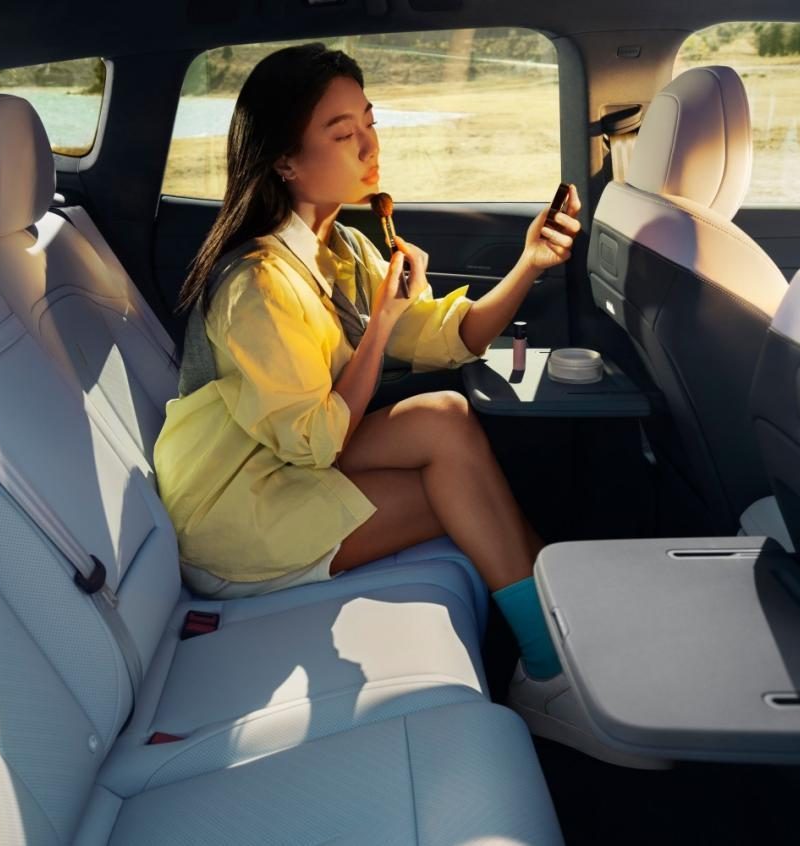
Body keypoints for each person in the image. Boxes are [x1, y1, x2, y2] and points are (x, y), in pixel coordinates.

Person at [155, 42, 611, 762]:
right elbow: (319, 440)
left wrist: (529, 262)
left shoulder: (340, 248)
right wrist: (381, 327)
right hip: (234, 511)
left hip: (282, 463)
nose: (370, 145)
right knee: (461, 497)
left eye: (369, 121)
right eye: (343, 133)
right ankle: (551, 664)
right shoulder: (259, 285)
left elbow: (443, 336)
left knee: (445, 419)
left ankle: (556, 644)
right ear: (285, 162)